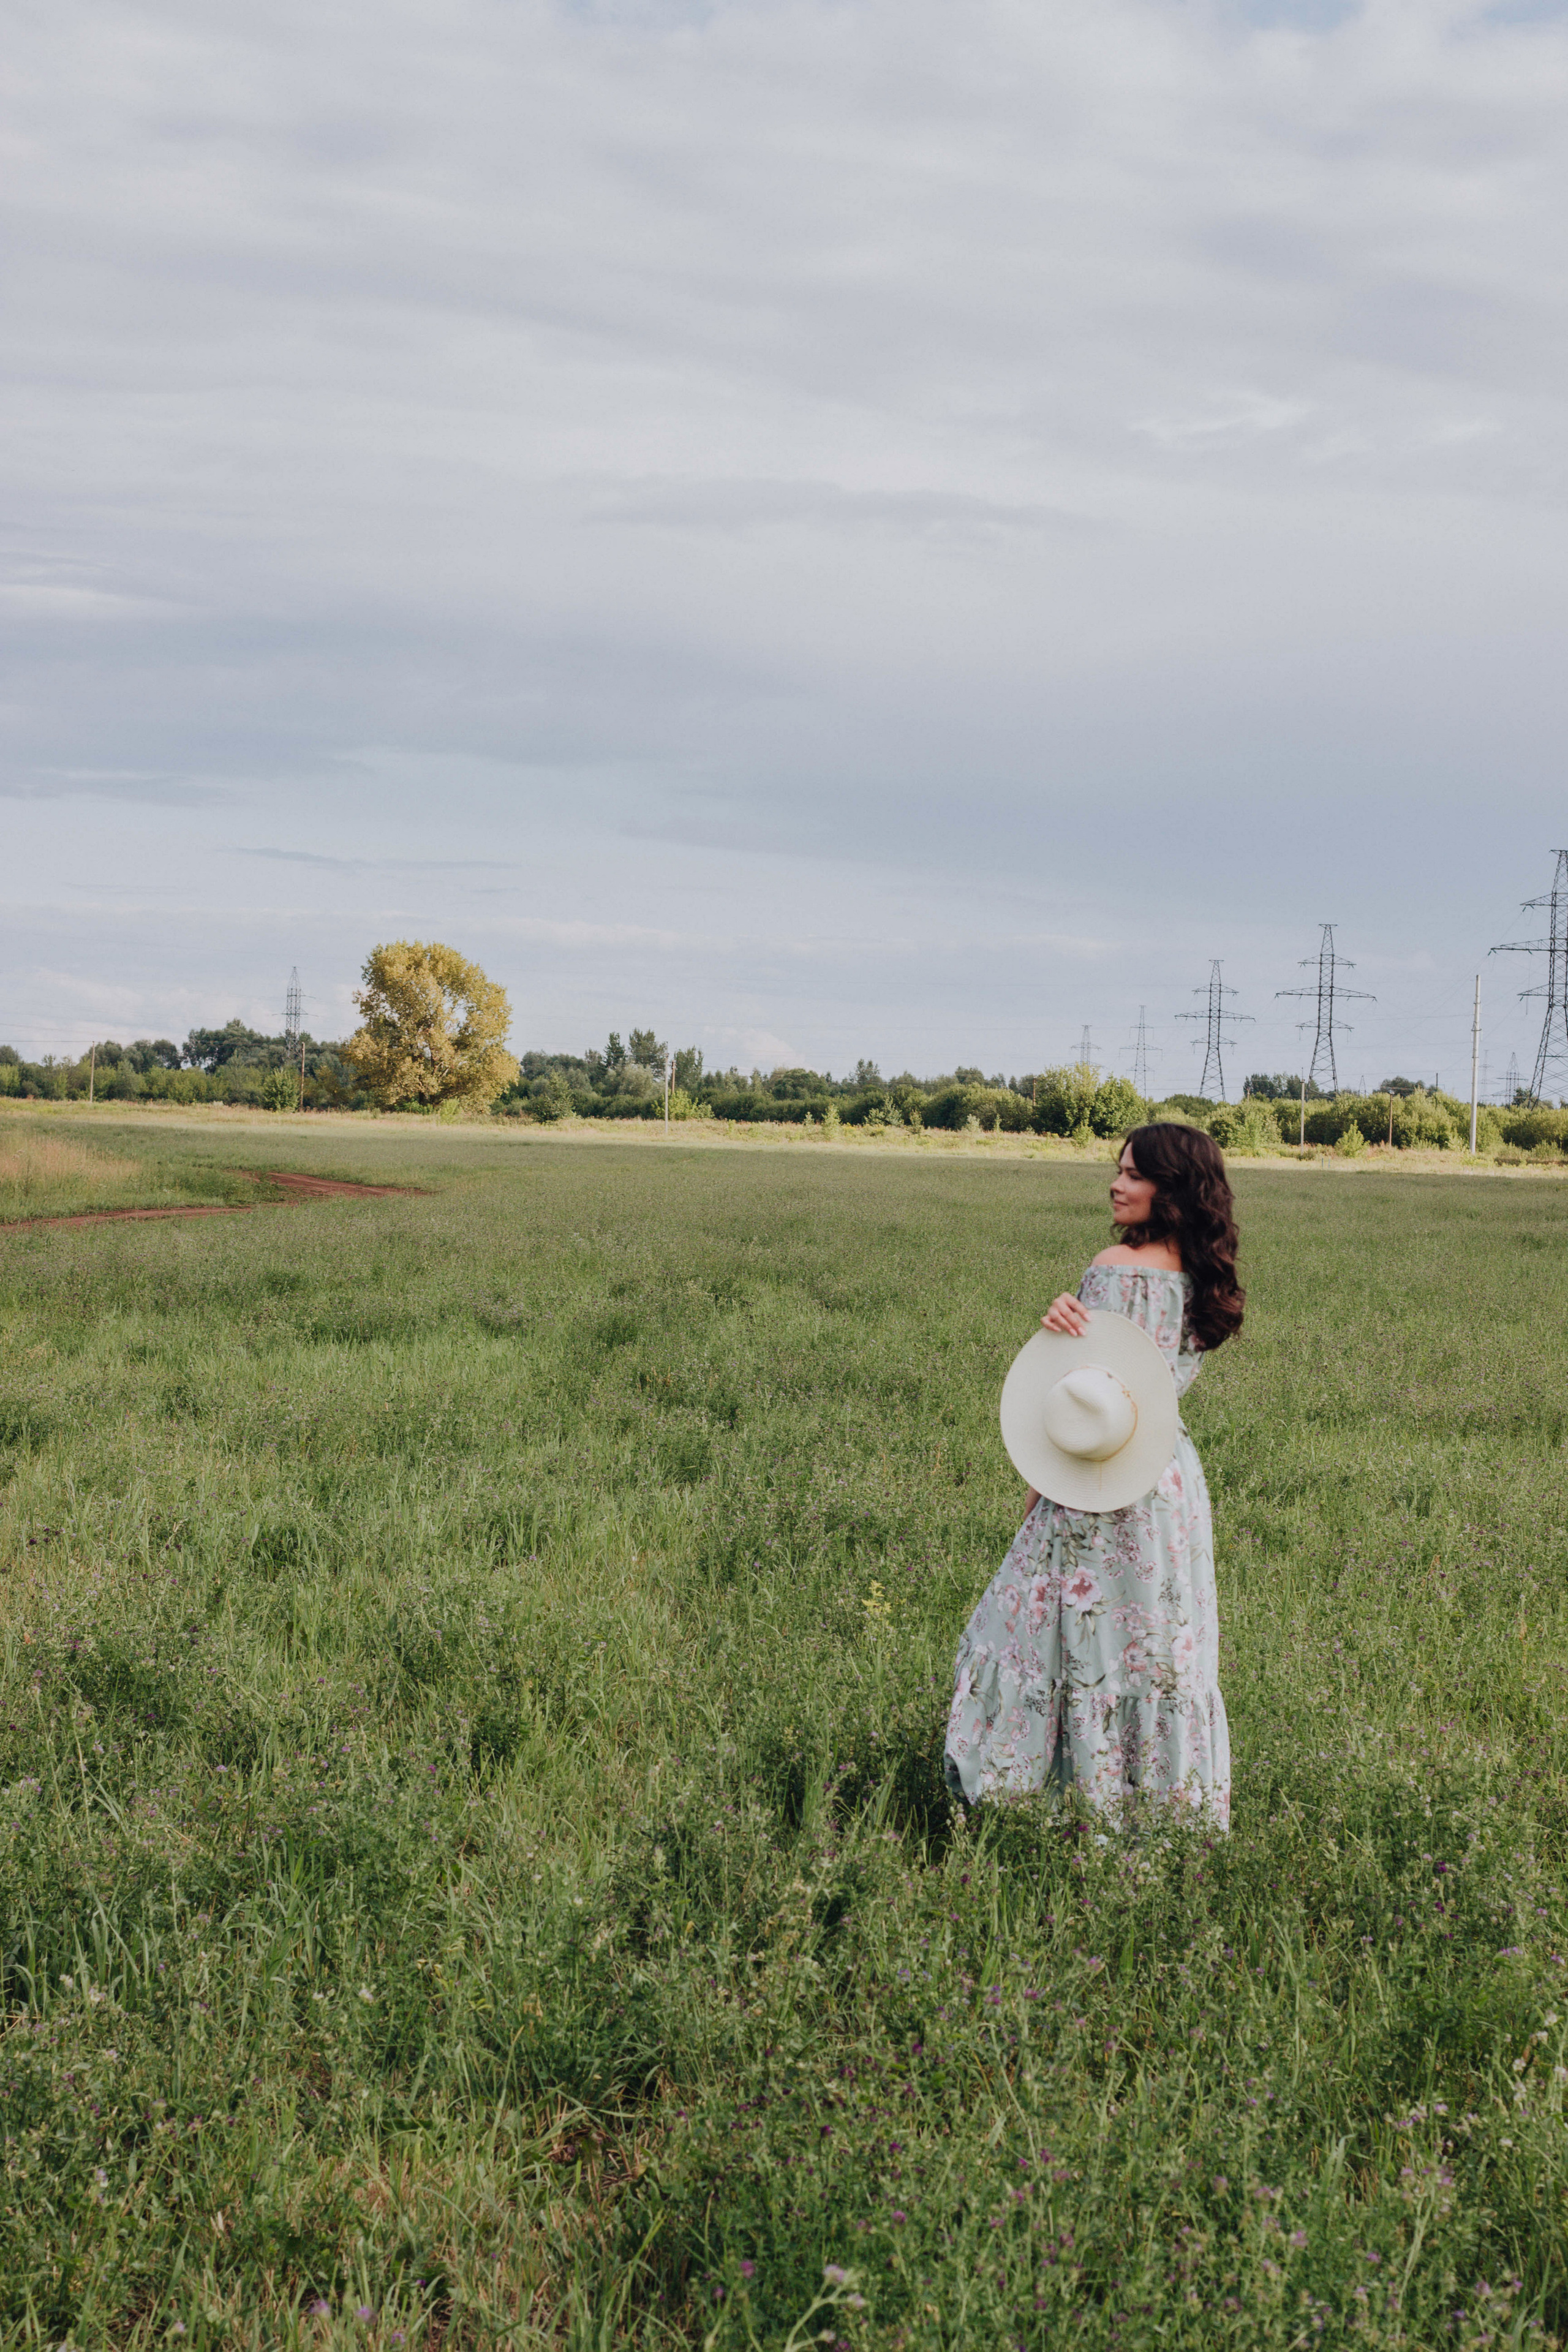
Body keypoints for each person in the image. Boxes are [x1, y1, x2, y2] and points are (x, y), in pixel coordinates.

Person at [944, 1122, 1244, 1827]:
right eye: (1119, 1170)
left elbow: (1077, 1394)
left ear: (1172, 1189)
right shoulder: (1205, 1277)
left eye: (1135, 1175)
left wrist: (1037, 1486)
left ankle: (1049, 1804)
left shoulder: (1112, 1265)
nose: (1116, 1183)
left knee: (1057, 1635)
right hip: (1166, 1479)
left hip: (1096, 1478)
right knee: (1155, 1650)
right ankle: (1159, 1813)